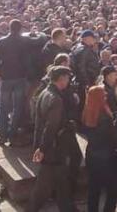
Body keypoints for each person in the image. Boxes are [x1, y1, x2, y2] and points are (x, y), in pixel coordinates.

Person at [29, 66, 75, 212]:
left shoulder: (44, 92)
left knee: (61, 181)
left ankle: (67, 208)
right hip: (54, 148)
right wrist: (42, 148)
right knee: (44, 186)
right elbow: (51, 127)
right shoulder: (55, 99)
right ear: (61, 79)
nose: (69, 81)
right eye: (68, 78)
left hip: (50, 147)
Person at [0, 19, 30, 146]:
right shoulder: (24, 41)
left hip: (6, 78)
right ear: (20, 28)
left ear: (9, 27)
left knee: (3, 107)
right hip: (20, 77)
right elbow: (28, 60)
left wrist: (0, 73)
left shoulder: (2, 41)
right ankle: (12, 134)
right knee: (17, 107)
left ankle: (2, 135)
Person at [82, 86, 117, 212]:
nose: (106, 97)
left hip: (92, 154)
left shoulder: (87, 112)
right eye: (103, 95)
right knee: (113, 188)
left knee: (94, 188)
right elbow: (112, 138)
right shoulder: (104, 117)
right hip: (106, 157)